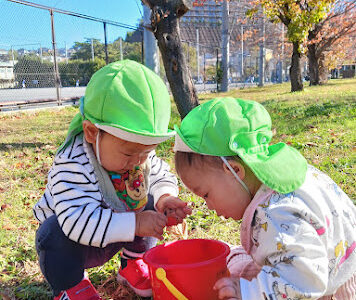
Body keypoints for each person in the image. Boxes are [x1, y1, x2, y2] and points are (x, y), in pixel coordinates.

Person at [33, 60, 191, 300]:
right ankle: (70, 286)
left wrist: (165, 196)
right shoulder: (73, 163)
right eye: (129, 154)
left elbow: (159, 173)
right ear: (91, 133)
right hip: (75, 244)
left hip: (116, 233)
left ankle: (132, 264)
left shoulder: (137, 155)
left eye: (146, 152)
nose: (138, 162)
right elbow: (76, 222)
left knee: (147, 198)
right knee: (52, 233)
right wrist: (136, 223)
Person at [173, 97, 356, 300]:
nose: (208, 206)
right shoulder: (282, 179)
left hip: (333, 288)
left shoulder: (278, 214)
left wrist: (247, 290)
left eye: (206, 194)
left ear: (234, 170)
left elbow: (305, 281)